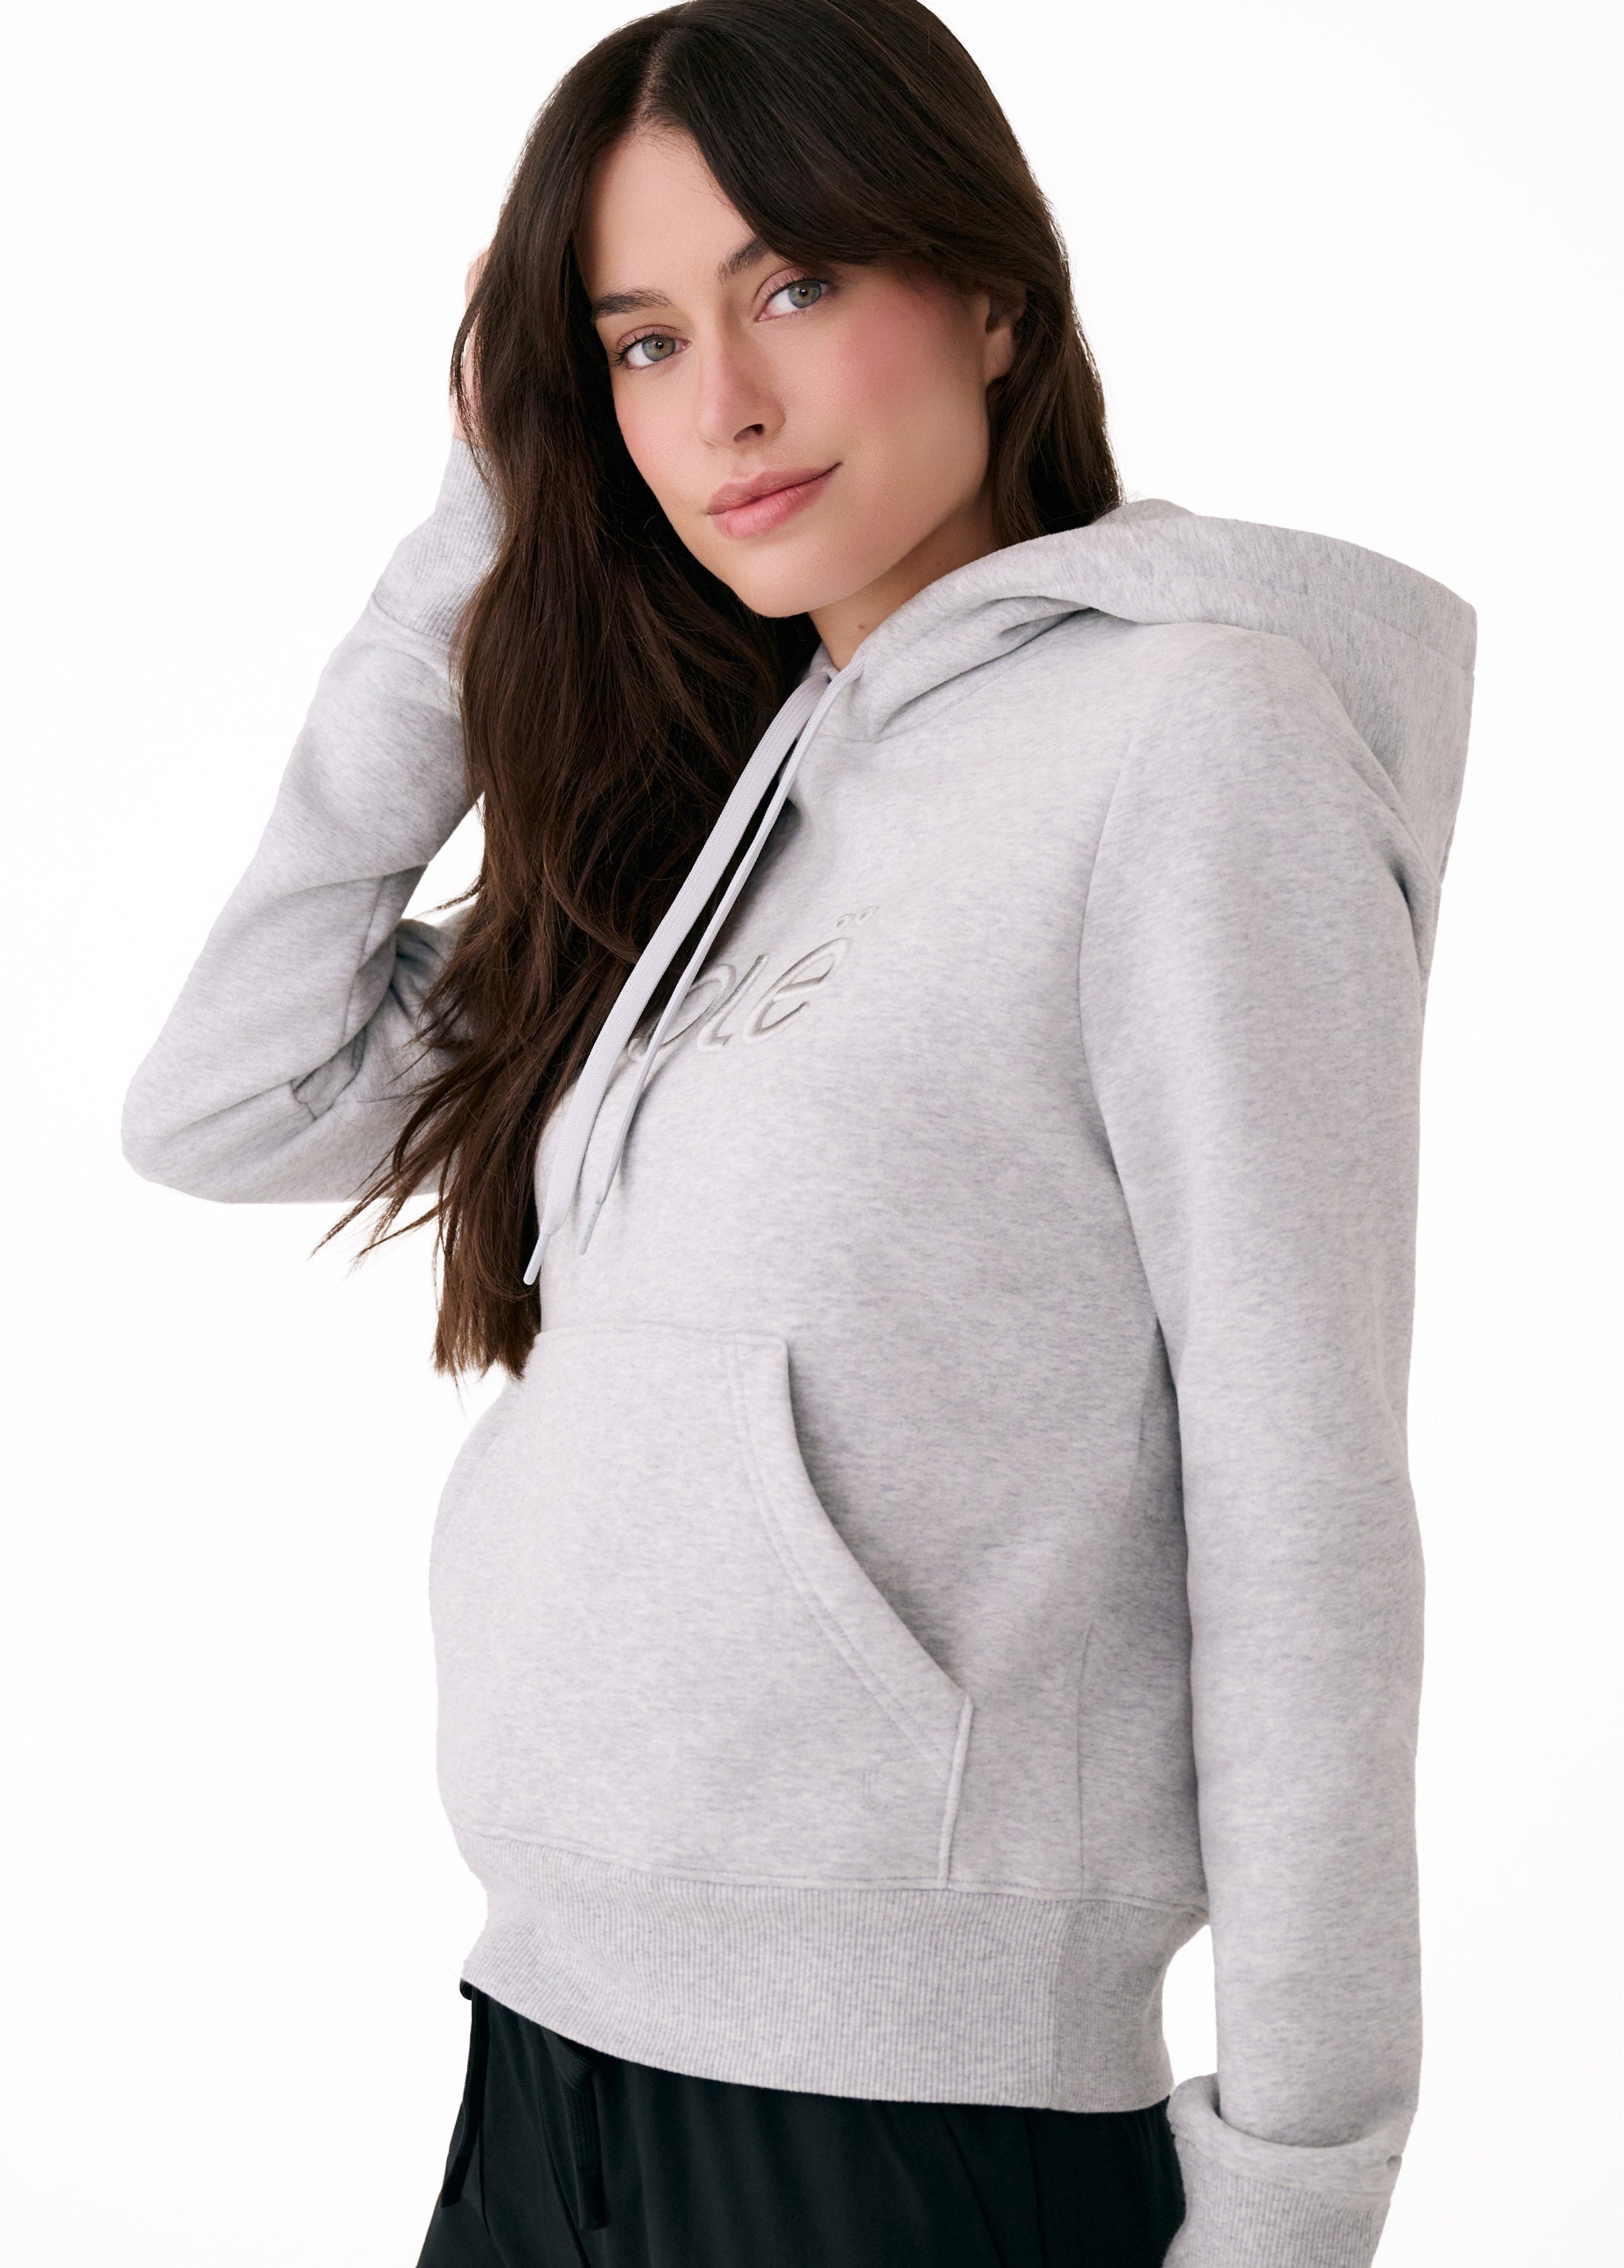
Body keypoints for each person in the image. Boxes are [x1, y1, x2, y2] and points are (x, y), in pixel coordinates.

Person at [121, 2, 1477, 2262]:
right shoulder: (739, 799)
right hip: (545, 2054)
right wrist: (482, 515)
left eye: (797, 286)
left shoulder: (1193, 743)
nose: (721, 407)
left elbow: (1304, 1500)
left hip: (894, 2126)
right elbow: (226, 1095)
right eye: (641, 344)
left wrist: (1299, 2184)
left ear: (996, 297)